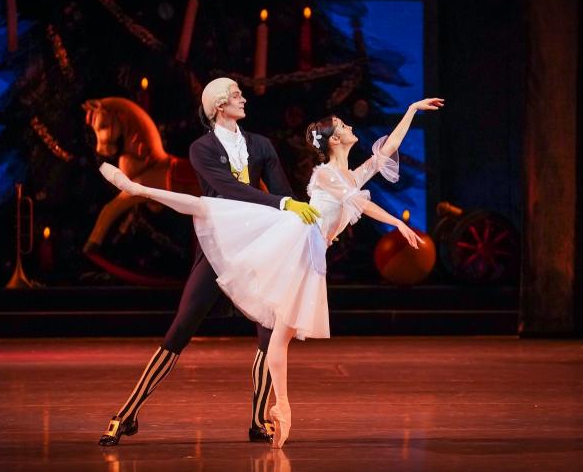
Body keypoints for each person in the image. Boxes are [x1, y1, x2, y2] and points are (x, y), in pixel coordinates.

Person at [100, 97, 443, 448]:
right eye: (343, 125)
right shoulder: (326, 174)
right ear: (335, 140)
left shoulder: (350, 176)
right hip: (293, 238)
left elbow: (386, 151)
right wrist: (398, 225)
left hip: (308, 251)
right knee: (210, 208)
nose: (350, 126)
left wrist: (411, 110)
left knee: (279, 337)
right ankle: (138, 188)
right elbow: (360, 203)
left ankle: (276, 409)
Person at [98, 78, 320, 446]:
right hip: (218, 244)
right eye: (236, 95)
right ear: (218, 105)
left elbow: (283, 193)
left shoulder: (260, 145)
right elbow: (230, 189)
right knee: (181, 329)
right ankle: (126, 413)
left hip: (257, 244)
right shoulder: (201, 148)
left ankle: (257, 420)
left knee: (269, 331)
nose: (243, 98)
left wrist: (304, 221)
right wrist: (283, 204)